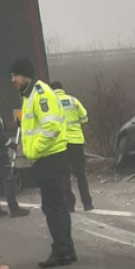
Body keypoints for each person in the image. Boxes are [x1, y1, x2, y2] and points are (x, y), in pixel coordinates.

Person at [10, 57, 76, 268]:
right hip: (47, 158)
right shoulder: (28, 96)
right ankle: (66, 248)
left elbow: (52, 127)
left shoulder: (40, 94)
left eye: (15, 75)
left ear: (25, 75)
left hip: (50, 158)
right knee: (56, 205)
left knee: (53, 206)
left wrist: (35, 149)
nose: (12, 80)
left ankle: (62, 251)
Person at [51, 81, 94, 212]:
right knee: (80, 173)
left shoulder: (51, 103)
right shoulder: (73, 100)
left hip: (61, 143)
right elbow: (84, 117)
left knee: (64, 174)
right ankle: (87, 203)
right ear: (62, 89)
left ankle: (70, 204)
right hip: (76, 141)